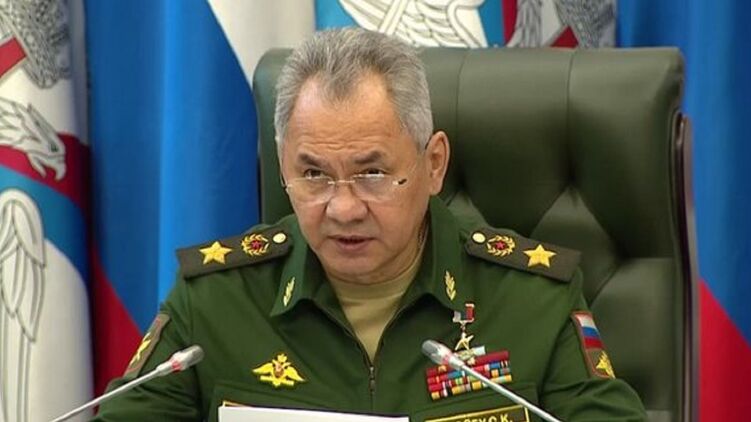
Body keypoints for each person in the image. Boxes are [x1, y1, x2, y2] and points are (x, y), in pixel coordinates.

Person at [94, 27, 646, 421]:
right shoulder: (215, 300)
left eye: (373, 173)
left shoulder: (531, 299)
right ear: (282, 168)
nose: (343, 208)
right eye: (314, 174)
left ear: (433, 165)